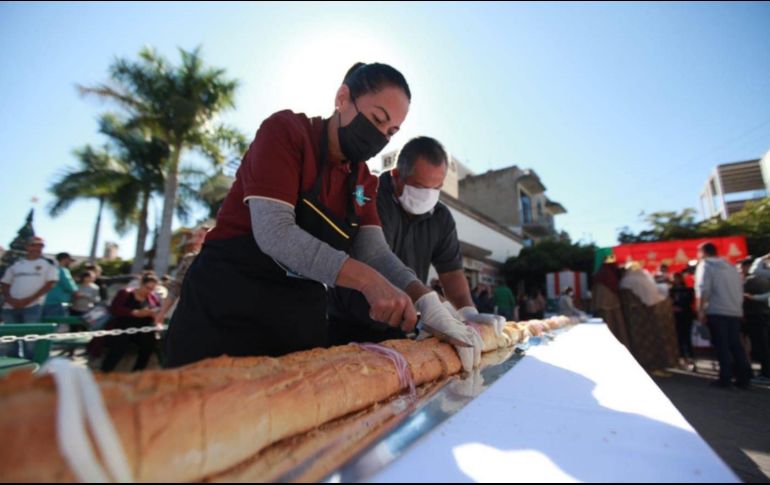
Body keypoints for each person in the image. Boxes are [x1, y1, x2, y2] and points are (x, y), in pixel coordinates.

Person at [165, 63, 484, 372]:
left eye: (391, 131)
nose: (380, 136)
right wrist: (367, 281)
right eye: (376, 119)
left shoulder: (363, 182)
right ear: (342, 98)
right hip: (226, 306)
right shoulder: (287, 133)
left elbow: (373, 252)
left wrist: (425, 299)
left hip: (294, 320)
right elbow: (275, 232)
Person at [327, 136, 504, 344]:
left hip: (404, 325)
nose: (428, 196)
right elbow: (376, 256)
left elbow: (452, 273)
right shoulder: (369, 196)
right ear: (396, 176)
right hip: (350, 322)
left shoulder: (441, 217)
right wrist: (426, 299)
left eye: (436, 188)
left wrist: (468, 312)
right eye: (420, 187)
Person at [694, 242, 751, 388]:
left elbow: (703, 289)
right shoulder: (730, 266)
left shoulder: (706, 265)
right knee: (736, 344)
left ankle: (725, 378)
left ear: (703, 252)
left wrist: (700, 310)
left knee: (721, 345)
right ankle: (744, 379)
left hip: (716, 310)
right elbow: (739, 288)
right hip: (734, 310)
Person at [0, 236, 58, 357]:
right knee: (9, 341)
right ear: (27, 247)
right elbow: (5, 283)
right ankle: (12, 371)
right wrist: (10, 299)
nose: (37, 248)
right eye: (34, 245)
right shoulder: (17, 264)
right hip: (10, 307)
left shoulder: (48, 264)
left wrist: (29, 300)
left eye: (40, 245)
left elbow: (50, 284)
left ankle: (30, 370)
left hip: (32, 306)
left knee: (30, 342)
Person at [100, 273, 160, 372]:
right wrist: (133, 312)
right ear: (141, 284)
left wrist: (152, 313)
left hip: (142, 329)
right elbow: (115, 309)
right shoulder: (125, 293)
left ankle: (137, 373)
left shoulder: (152, 297)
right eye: (147, 287)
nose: (149, 291)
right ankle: (105, 372)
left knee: (148, 346)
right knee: (118, 347)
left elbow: (157, 309)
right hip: (123, 327)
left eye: (152, 289)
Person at [155, 225, 210, 325]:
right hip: (192, 310)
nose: (194, 240)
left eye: (200, 236)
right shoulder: (188, 259)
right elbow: (176, 286)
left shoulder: (221, 258)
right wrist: (162, 312)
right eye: (195, 236)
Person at [740, 258, 770, 384]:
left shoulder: (750, 281)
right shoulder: (766, 280)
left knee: (761, 346)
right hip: (764, 315)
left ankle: (766, 374)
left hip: (755, 316)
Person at [592, 261, 629, 347]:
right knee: (616, 330)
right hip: (613, 307)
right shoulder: (611, 277)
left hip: (600, 308)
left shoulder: (599, 276)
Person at [669, 272, 695, 369]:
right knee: (679, 338)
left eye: (677, 278)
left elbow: (690, 301)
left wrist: (681, 307)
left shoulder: (687, 289)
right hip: (676, 317)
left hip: (686, 316)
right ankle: (682, 358)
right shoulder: (671, 290)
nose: (676, 280)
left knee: (687, 338)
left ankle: (690, 358)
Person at [41, 252, 78, 319]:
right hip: (57, 303)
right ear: (65, 259)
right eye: (69, 260)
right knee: (58, 326)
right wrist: (77, 292)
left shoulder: (49, 269)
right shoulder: (62, 270)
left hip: (45, 302)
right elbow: (69, 286)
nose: (70, 263)